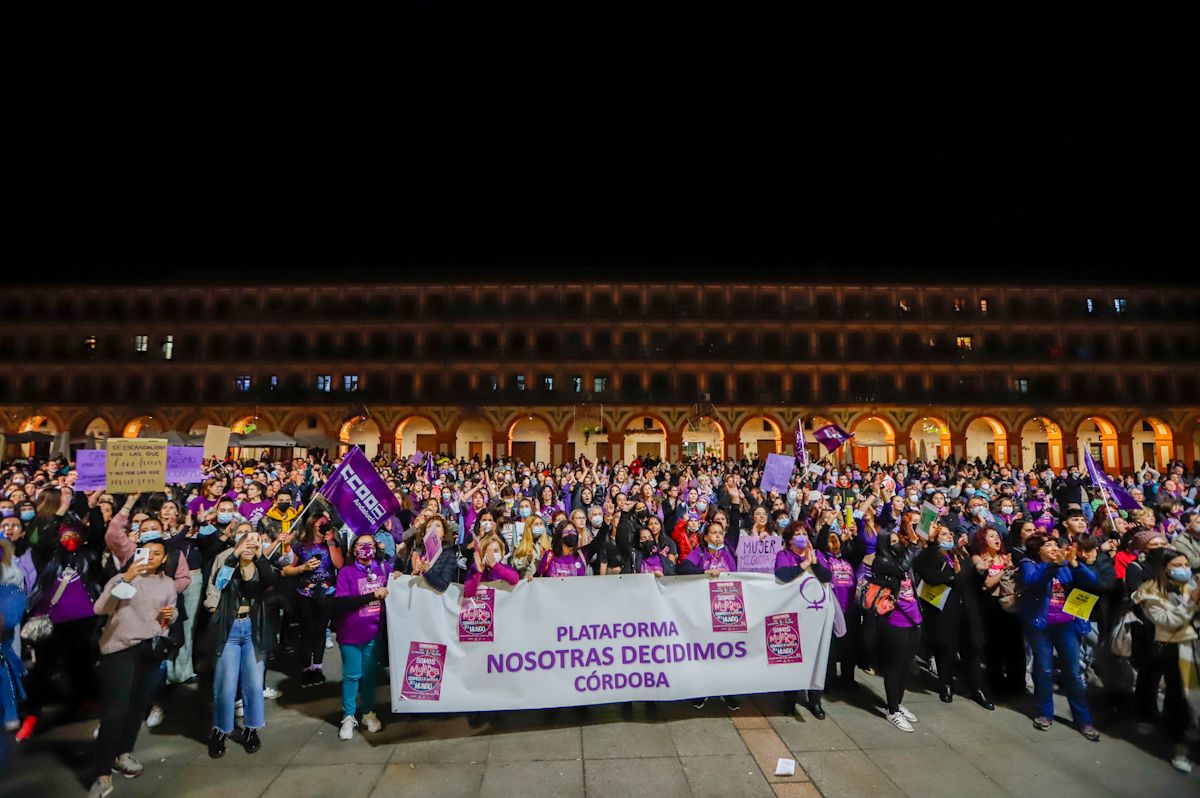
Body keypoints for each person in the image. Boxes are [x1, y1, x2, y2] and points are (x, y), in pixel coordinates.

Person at [89, 535, 178, 798]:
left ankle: (124, 753)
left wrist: (168, 616)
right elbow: (100, 608)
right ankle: (102, 774)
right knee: (114, 712)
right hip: (118, 649)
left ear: (164, 559)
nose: (150, 556)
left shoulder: (168, 584)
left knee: (137, 706)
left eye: (157, 553)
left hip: (148, 650)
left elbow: (167, 618)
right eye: (146, 551)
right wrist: (127, 578)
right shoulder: (121, 578)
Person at [203, 530, 279, 758]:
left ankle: (251, 729)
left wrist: (260, 556)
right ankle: (220, 730)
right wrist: (235, 555)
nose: (252, 544)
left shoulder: (261, 566)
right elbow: (220, 581)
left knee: (254, 685)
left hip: (253, 630)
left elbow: (271, 580)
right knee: (225, 686)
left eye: (257, 540)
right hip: (229, 630)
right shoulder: (228, 563)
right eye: (248, 540)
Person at [1017, 534, 1101, 740]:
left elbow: (1091, 581)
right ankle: (1045, 713)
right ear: (1038, 550)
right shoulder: (1030, 564)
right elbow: (1032, 581)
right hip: (1042, 626)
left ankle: (1084, 720)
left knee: (1073, 673)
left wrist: (1073, 563)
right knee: (1043, 670)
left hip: (1067, 625)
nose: (1054, 547)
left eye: (1055, 544)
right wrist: (1050, 565)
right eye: (1048, 545)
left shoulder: (1065, 564)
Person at [1131, 548, 1199, 773]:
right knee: (1179, 698)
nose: (1183, 570)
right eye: (1177, 566)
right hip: (1175, 651)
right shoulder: (1150, 593)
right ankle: (1179, 747)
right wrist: (1192, 604)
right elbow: (1168, 621)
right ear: (1164, 569)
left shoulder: (1189, 585)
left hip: (1195, 646)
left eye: (1185, 565)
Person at [916, 524, 992, 709]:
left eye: (950, 533)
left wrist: (981, 571)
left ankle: (976, 689)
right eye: (943, 534)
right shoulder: (930, 555)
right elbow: (929, 575)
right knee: (946, 651)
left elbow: (971, 581)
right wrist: (953, 576)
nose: (949, 536)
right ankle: (946, 685)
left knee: (972, 651)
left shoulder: (961, 554)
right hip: (946, 610)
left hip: (967, 609)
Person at [332, 533, 401, 740]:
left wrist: (398, 576)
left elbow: (394, 587)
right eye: (361, 545)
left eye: (370, 545)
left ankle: (368, 712)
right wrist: (372, 595)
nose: (366, 548)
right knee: (352, 675)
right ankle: (348, 715)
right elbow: (343, 603)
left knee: (370, 675)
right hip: (351, 634)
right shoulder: (346, 572)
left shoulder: (382, 568)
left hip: (374, 633)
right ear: (354, 550)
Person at [776, 523, 832, 718]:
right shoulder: (784, 556)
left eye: (805, 534)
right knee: (792, 655)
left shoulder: (816, 555)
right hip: (793, 613)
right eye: (797, 534)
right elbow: (782, 575)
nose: (802, 537)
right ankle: (789, 698)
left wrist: (814, 562)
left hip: (814, 615)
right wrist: (804, 564)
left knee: (816, 656)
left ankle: (815, 700)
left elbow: (827, 576)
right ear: (790, 540)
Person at [871, 527, 923, 732]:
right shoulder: (882, 561)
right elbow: (900, 567)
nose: (898, 544)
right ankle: (892, 711)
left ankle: (898, 703)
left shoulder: (905, 557)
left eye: (898, 540)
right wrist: (911, 545)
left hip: (914, 618)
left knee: (906, 665)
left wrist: (916, 542)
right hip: (895, 620)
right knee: (894, 666)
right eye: (893, 541)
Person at [280, 516, 343, 686]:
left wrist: (331, 544)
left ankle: (318, 667)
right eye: (320, 524)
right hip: (305, 594)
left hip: (327, 593)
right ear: (311, 525)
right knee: (307, 631)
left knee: (321, 631)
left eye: (326, 523)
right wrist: (304, 567)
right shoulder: (301, 546)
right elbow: (286, 570)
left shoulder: (333, 543)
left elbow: (338, 564)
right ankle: (307, 668)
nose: (324, 526)